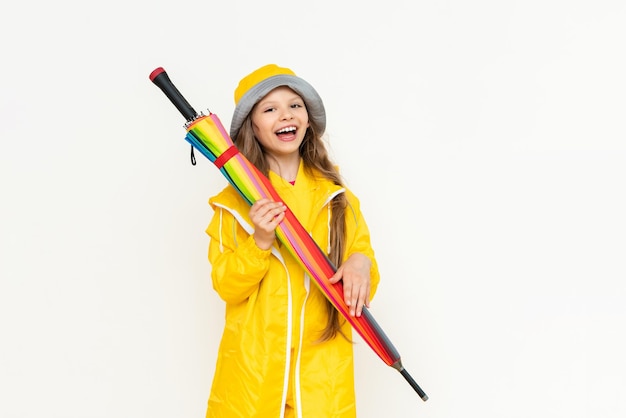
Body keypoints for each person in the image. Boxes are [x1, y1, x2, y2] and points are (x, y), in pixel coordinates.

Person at [204, 64, 380, 418]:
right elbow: (226, 284)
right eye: (269, 109)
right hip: (256, 371)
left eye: (294, 105)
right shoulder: (234, 205)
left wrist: (362, 263)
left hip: (321, 368)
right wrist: (261, 240)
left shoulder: (338, 198)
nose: (285, 115)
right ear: (252, 127)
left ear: (308, 119)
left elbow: (360, 272)